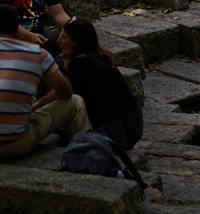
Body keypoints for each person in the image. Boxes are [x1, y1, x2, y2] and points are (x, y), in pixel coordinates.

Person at [0, 5, 90, 157]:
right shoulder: (38, 53)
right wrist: (40, 104)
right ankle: (83, 155)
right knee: (76, 102)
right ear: (16, 29)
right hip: (14, 145)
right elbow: (66, 91)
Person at [57, 17, 142, 149]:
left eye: (64, 38)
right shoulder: (104, 58)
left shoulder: (70, 67)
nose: (59, 41)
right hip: (134, 125)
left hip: (110, 132)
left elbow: (60, 96)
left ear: (76, 42)